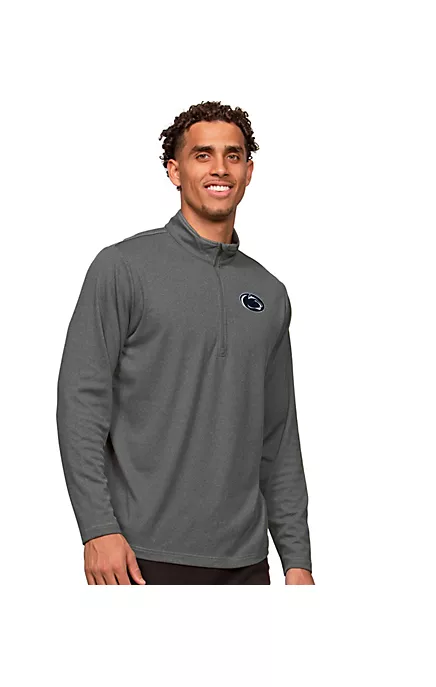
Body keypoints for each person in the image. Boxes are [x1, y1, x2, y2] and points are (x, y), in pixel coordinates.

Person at [56, 100, 315, 585]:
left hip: (246, 565)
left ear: (249, 172)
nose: (220, 168)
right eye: (202, 155)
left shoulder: (269, 293)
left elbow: (278, 436)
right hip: (138, 556)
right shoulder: (122, 268)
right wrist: (97, 528)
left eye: (233, 155)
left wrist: (296, 559)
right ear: (175, 171)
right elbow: (81, 405)